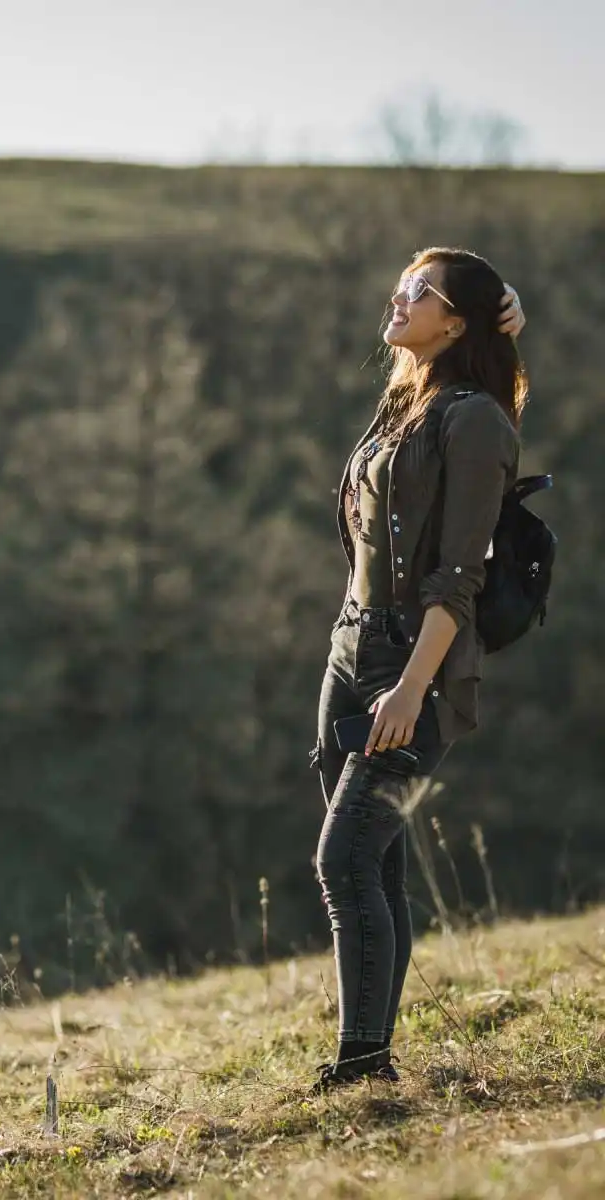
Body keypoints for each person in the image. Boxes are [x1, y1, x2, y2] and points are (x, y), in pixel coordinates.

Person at [309, 247, 528, 1093]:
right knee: (377, 863)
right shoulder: (409, 398)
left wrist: (411, 688)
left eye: (419, 292)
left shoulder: (474, 421)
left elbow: (459, 575)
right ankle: (368, 1058)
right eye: (400, 283)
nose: (398, 298)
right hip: (350, 651)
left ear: (456, 322)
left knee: (344, 862)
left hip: (417, 668)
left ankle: (363, 1065)